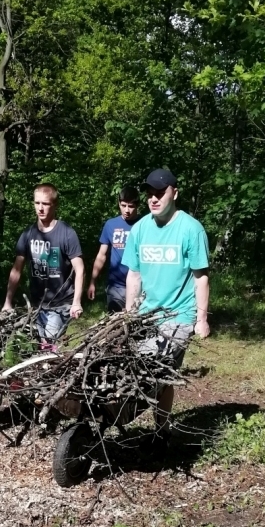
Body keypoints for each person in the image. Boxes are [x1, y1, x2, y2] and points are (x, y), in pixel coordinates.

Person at [122, 167, 210, 430]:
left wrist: (201, 319)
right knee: (134, 366)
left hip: (179, 316)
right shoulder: (139, 230)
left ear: (175, 193)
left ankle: (160, 429)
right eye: (150, 194)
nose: (154, 199)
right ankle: (138, 420)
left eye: (160, 193)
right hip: (146, 314)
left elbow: (201, 278)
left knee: (157, 370)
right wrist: (129, 315)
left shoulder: (191, 229)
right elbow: (134, 276)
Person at [3, 183, 84, 347]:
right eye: (37, 203)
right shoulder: (28, 234)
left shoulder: (67, 233)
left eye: (45, 204)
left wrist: (76, 302)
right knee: (38, 346)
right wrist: (7, 302)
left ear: (55, 205)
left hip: (61, 302)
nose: (40, 208)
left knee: (48, 343)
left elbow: (80, 268)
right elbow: (16, 270)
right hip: (37, 303)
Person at [86, 185, 142, 313]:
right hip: (116, 286)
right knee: (116, 325)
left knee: (138, 326)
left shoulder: (144, 224)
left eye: (131, 206)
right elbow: (101, 255)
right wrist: (92, 282)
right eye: (123, 205)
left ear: (137, 205)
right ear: (119, 203)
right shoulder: (110, 225)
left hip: (139, 284)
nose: (126, 210)